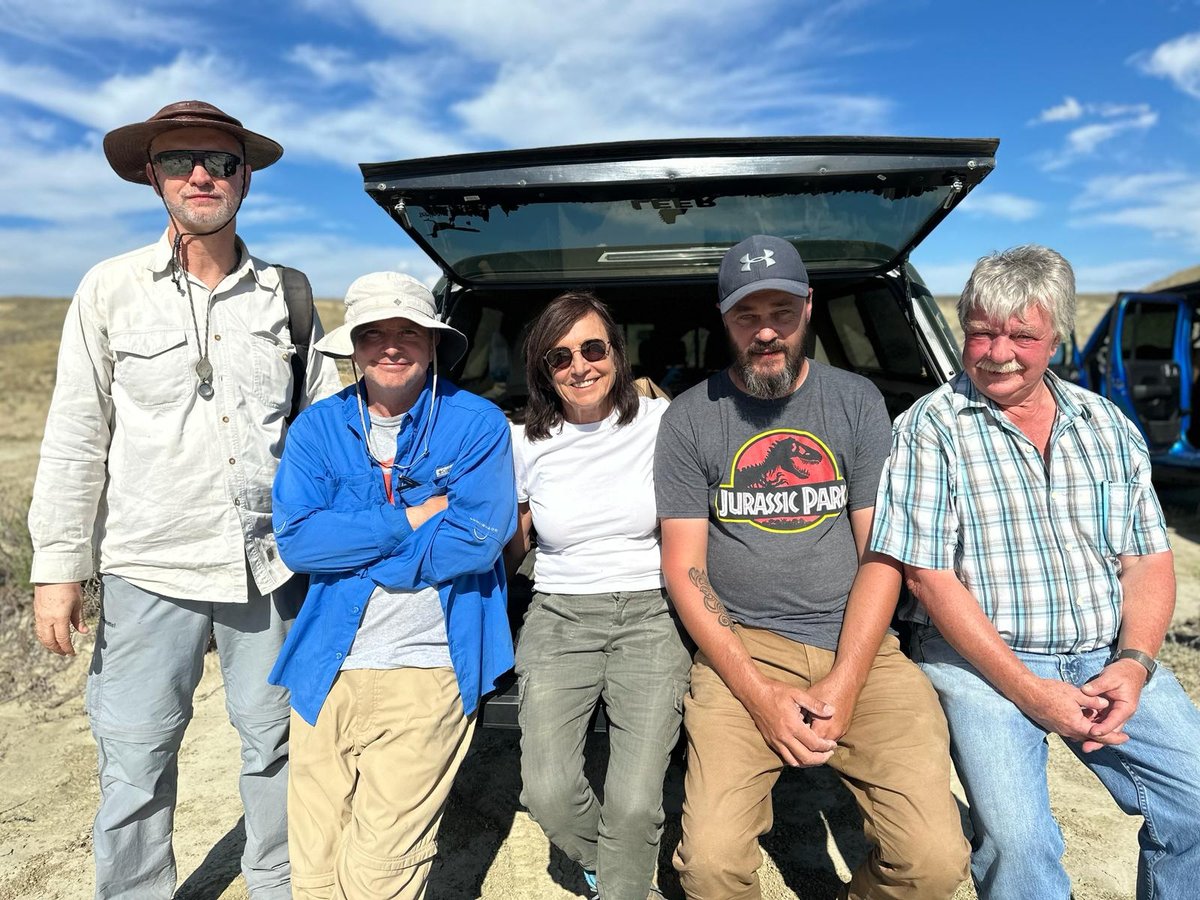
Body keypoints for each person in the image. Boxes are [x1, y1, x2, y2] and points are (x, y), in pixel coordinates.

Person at [26, 100, 342, 899]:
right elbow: (74, 435)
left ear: (246, 178)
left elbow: (325, 436)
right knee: (135, 755)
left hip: (268, 569)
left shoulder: (288, 295)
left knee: (278, 744)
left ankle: (281, 883)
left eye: (220, 162)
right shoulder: (109, 289)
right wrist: (57, 567)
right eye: (179, 162)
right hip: (148, 565)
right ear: (151, 175)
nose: (201, 175)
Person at [872, 244, 1200, 900]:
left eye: (1022, 335)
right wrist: (1029, 690)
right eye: (981, 333)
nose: (998, 353)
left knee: (1195, 805)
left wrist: (1134, 663)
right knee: (1021, 846)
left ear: (1057, 339)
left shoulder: (1108, 426)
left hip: (1108, 654)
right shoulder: (927, 430)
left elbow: (1148, 560)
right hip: (983, 667)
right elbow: (928, 578)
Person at [654, 235, 969, 900]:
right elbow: (686, 568)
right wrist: (759, 694)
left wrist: (848, 680)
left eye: (782, 311)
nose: (765, 331)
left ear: (809, 306)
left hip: (861, 646)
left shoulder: (856, 402)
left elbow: (881, 552)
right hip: (743, 649)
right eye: (747, 315)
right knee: (708, 865)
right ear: (724, 318)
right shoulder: (689, 419)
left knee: (935, 863)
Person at [269, 271, 516, 899]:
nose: (391, 345)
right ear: (353, 346)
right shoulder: (317, 429)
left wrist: (355, 544)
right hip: (326, 666)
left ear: (433, 343)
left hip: (427, 668)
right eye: (373, 332)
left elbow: (481, 537)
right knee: (316, 867)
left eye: (409, 330)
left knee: (380, 871)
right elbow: (298, 541)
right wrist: (409, 518)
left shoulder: (477, 424)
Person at [505, 291, 691, 900]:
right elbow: (511, 540)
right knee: (547, 793)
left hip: (651, 614)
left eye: (592, 348)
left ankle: (620, 884)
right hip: (558, 616)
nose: (579, 367)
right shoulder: (523, 441)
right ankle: (613, 863)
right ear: (542, 369)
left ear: (617, 352)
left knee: (637, 803)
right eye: (560, 357)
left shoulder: (665, 422)